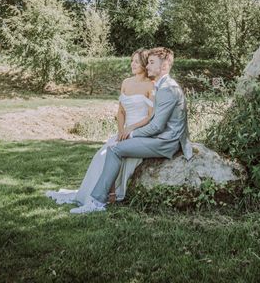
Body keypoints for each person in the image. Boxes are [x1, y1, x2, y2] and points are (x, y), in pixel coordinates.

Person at [69, 46, 193, 214]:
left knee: (114, 149)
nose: (147, 66)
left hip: (165, 142)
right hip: (159, 136)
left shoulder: (168, 89)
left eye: (151, 63)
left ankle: (97, 202)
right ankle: (100, 197)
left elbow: (157, 126)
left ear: (164, 66)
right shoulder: (161, 85)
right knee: (114, 147)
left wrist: (131, 133)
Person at [46, 49, 155, 206]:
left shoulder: (150, 86)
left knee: (112, 154)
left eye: (136, 61)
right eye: (132, 60)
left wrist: (130, 129)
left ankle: (110, 193)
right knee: (101, 155)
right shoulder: (126, 82)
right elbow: (121, 111)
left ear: (145, 64)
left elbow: (150, 116)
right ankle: (94, 193)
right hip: (124, 131)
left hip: (139, 130)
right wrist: (121, 130)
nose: (133, 64)